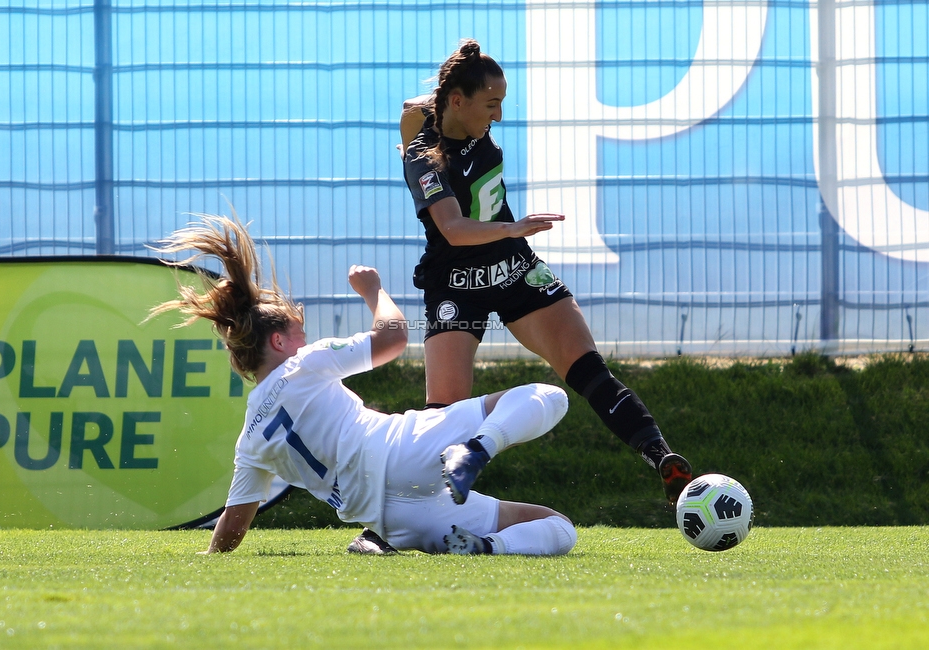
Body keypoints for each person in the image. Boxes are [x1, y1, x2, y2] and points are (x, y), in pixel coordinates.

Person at [347, 38, 694, 554]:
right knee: (442, 419)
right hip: (457, 281)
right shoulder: (423, 156)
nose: (501, 115)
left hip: (512, 267)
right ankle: (391, 530)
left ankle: (664, 461)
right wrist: (520, 226)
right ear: (459, 102)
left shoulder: (438, 115)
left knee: (587, 369)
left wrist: (441, 103)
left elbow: (413, 108)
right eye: (492, 104)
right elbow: (456, 230)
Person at [149, 213, 577, 556]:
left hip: (396, 521)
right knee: (548, 395)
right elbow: (393, 337)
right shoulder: (305, 364)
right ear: (278, 342)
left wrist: (210, 556)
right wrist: (373, 291)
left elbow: (232, 526)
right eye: (298, 332)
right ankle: (477, 450)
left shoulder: (251, 440)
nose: (305, 339)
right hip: (403, 452)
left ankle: (488, 547)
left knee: (556, 526)